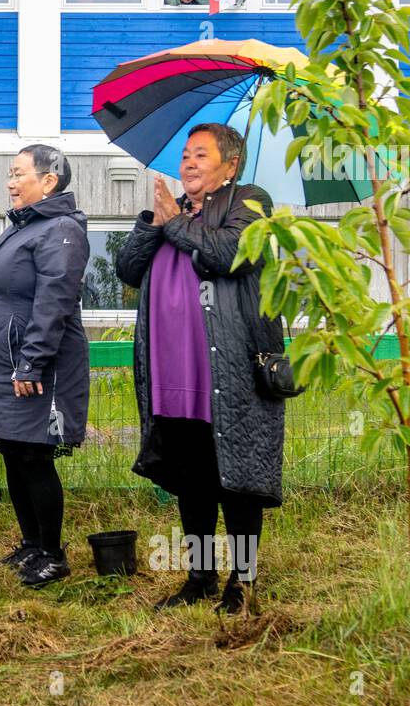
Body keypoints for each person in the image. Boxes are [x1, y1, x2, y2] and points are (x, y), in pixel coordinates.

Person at [114, 123, 285, 614]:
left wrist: (174, 224)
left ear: (230, 164)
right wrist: (156, 221)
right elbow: (127, 269)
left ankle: (243, 580)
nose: (188, 162)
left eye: (201, 155)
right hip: (172, 371)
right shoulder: (175, 212)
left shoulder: (250, 201)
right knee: (192, 478)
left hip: (226, 371)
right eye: (185, 154)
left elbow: (229, 254)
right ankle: (200, 575)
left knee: (237, 478)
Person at [0, 145, 90, 589]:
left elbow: (54, 302)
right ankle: (31, 544)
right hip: (4, 361)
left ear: (48, 181)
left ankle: (53, 554)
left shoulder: (62, 230)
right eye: (9, 175)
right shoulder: (23, 228)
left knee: (33, 454)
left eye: (18, 174)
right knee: (13, 450)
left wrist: (31, 363)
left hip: (37, 368)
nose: (10, 183)